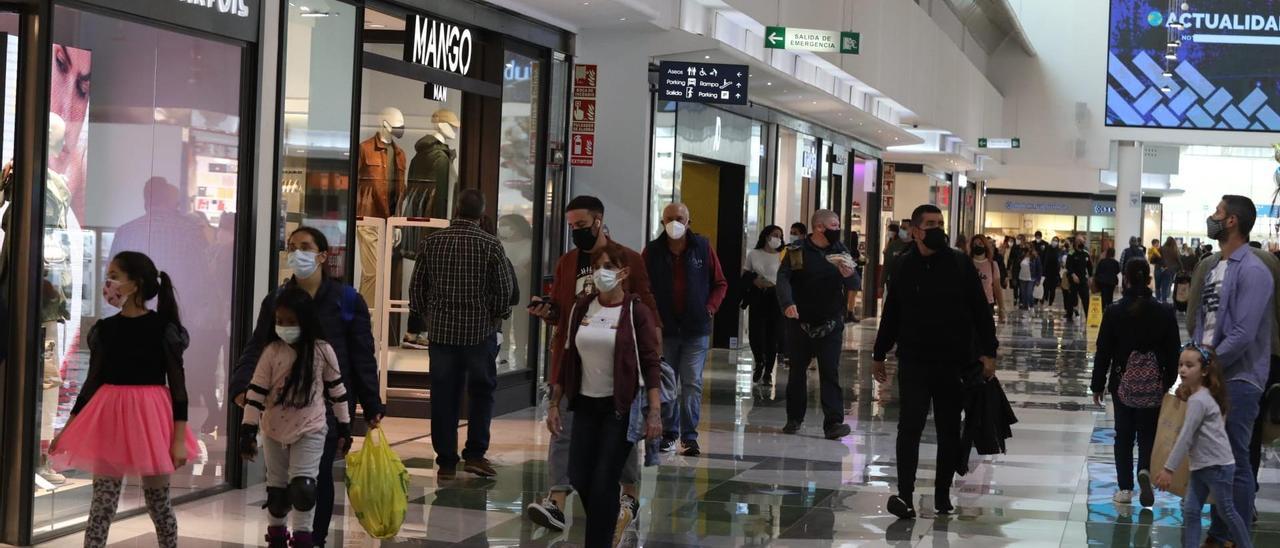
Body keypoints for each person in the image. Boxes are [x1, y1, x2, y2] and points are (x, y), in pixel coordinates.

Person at [231, 227, 384, 548]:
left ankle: (312, 539)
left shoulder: (346, 300)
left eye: (305, 246)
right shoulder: (276, 301)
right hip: (279, 409)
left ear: (322, 255)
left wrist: (371, 404)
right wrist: (242, 385)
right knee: (279, 483)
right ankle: (279, 532)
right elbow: (257, 346)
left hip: (324, 408)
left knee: (312, 480)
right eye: (291, 247)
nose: (297, 253)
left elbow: (362, 356)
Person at [49, 252, 199, 548]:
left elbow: (179, 388)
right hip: (110, 418)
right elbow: (91, 383)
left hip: (151, 419)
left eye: (115, 275)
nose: (109, 281)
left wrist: (178, 438)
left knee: (158, 502)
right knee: (102, 504)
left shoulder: (163, 330)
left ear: (135, 284)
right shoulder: (105, 330)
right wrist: (67, 428)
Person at [526, 195, 655, 534]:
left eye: (581, 225)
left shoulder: (627, 259)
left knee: (620, 437)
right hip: (575, 362)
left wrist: (650, 356)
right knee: (563, 429)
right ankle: (557, 500)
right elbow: (563, 311)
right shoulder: (567, 262)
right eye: (571, 226)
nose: (576, 232)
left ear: (599, 221)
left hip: (619, 364)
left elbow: (647, 308)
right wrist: (548, 311)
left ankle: (628, 494)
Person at [873, 204, 999, 520]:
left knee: (947, 429)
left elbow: (981, 311)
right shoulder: (903, 266)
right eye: (930, 224)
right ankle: (905, 494)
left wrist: (989, 352)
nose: (937, 229)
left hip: (953, 361)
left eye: (940, 223)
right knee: (909, 427)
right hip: (914, 361)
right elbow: (892, 312)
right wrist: (879, 352)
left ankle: (942, 494)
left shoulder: (959, 264)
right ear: (914, 230)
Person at [547, 243, 663, 548]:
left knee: (603, 481)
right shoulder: (581, 307)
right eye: (598, 266)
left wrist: (654, 409)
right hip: (584, 404)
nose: (602, 273)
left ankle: (598, 542)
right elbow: (567, 357)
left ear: (624, 273)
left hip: (619, 408)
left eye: (609, 267)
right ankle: (612, 524)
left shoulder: (636, 311)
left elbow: (651, 362)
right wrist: (555, 401)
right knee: (579, 476)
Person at [1184, 195, 1274, 545]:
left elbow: (1243, 333)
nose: (1213, 217)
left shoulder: (1254, 270)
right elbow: (1204, 322)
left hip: (1239, 378)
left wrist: (1205, 365)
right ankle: (1219, 531)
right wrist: (1192, 361)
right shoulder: (1215, 266)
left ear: (1233, 221)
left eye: (1218, 213)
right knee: (1210, 456)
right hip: (1211, 374)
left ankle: (1234, 534)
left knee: (1235, 458)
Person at [409, 190, 514, 479]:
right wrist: (495, 316)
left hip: (442, 334)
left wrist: (426, 315)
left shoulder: (431, 242)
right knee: (481, 393)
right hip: (480, 334)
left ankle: (445, 460)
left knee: (443, 395)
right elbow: (504, 291)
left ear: (455, 209)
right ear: (481, 214)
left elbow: (417, 287)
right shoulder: (491, 245)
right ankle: (476, 455)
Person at [239, 288, 354, 548]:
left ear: (305, 320)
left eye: (291, 322)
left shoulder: (322, 351)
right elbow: (255, 392)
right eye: (280, 321)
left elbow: (337, 390)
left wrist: (345, 427)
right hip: (273, 429)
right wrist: (247, 429)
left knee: (303, 489)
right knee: (277, 493)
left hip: (310, 428)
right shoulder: (271, 352)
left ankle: (303, 537)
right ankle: (277, 537)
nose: (284, 327)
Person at [1091, 260, 1179, 509]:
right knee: (1148, 432)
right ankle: (1145, 470)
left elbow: (1103, 351)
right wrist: (1167, 382)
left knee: (1124, 435)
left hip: (1122, 381)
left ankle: (1125, 488)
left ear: (1125, 279)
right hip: (1154, 384)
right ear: (1150, 280)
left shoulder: (1114, 311)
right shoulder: (1164, 312)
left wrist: (1097, 384)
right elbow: (1174, 352)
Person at [644, 203, 728, 456]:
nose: (674, 223)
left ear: (689, 221)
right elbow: (642, 285)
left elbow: (720, 283)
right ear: (662, 223)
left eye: (679, 218)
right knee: (668, 382)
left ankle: (689, 437)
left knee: (692, 382)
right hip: (665, 329)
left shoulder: (702, 248)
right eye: (669, 219)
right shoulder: (652, 251)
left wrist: (709, 308)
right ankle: (670, 433)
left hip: (696, 328)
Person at [1153, 344, 1253, 548]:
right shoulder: (1203, 396)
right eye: (1181, 364)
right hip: (1201, 466)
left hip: (1217, 467)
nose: (1182, 369)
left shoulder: (1199, 400)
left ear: (1205, 371)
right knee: (1191, 510)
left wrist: (1168, 469)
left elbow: (1185, 437)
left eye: (1189, 365)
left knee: (1227, 511)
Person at [776, 209, 857, 440]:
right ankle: (794, 418)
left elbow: (855, 282)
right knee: (797, 372)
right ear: (819, 227)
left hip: (831, 323)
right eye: (834, 224)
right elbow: (783, 279)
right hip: (800, 322)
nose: (837, 228)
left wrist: (848, 274)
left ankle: (833, 423)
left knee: (830, 372)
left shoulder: (839, 250)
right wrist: (787, 303)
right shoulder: (797, 250)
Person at [744, 225, 785, 384]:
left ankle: (768, 370)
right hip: (758, 297)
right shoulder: (754, 254)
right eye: (775, 235)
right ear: (766, 236)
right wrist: (754, 280)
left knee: (772, 335)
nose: (777, 238)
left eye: (780, 236)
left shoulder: (782, 256)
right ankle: (759, 362)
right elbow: (745, 274)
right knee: (756, 333)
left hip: (775, 298)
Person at [970, 234, 1004, 321]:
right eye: (975, 244)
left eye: (980, 243)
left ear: (985, 246)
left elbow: (997, 288)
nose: (977, 246)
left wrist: (1001, 308)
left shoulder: (992, 265)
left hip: (987, 304)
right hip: (970, 304)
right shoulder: (967, 263)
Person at [1065, 238, 1094, 323]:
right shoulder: (1071, 253)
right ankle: (1069, 315)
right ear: (1076, 243)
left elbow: (1090, 267)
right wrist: (1073, 275)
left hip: (1083, 280)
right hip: (1073, 280)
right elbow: (1068, 266)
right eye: (1080, 242)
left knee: (1086, 298)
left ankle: (1088, 317)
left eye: (1083, 242)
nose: (1081, 243)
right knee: (1071, 299)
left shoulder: (1086, 253)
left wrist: (1091, 277)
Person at [1017, 243, 1041, 311]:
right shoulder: (1022, 255)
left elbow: (1039, 268)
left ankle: (1031, 306)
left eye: (1029, 247)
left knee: (1029, 292)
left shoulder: (1035, 256)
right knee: (1023, 293)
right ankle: (1025, 306)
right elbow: (1017, 265)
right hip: (1022, 277)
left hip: (1031, 277)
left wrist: (1038, 279)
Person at [1041, 236, 1062, 308]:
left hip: (1055, 273)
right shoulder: (1047, 248)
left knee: (1053, 289)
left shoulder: (1059, 250)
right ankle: (1045, 300)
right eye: (1053, 240)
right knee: (1045, 288)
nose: (1054, 242)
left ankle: (1050, 303)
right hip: (1046, 272)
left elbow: (1060, 262)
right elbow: (1043, 259)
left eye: (1056, 240)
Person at [1007, 235, 1027, 302]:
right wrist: (1008, 268)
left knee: (1022, 286)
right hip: (1015, 269)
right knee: (1015, 284)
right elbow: (1010, 259)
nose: (1018, 240)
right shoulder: (1014, 247)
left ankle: (1021, 300)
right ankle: (1015, 298)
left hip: (1024, 269)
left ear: (1023, 240)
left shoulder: (1026, 249)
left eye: (1019, 239)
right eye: (1017, 239)